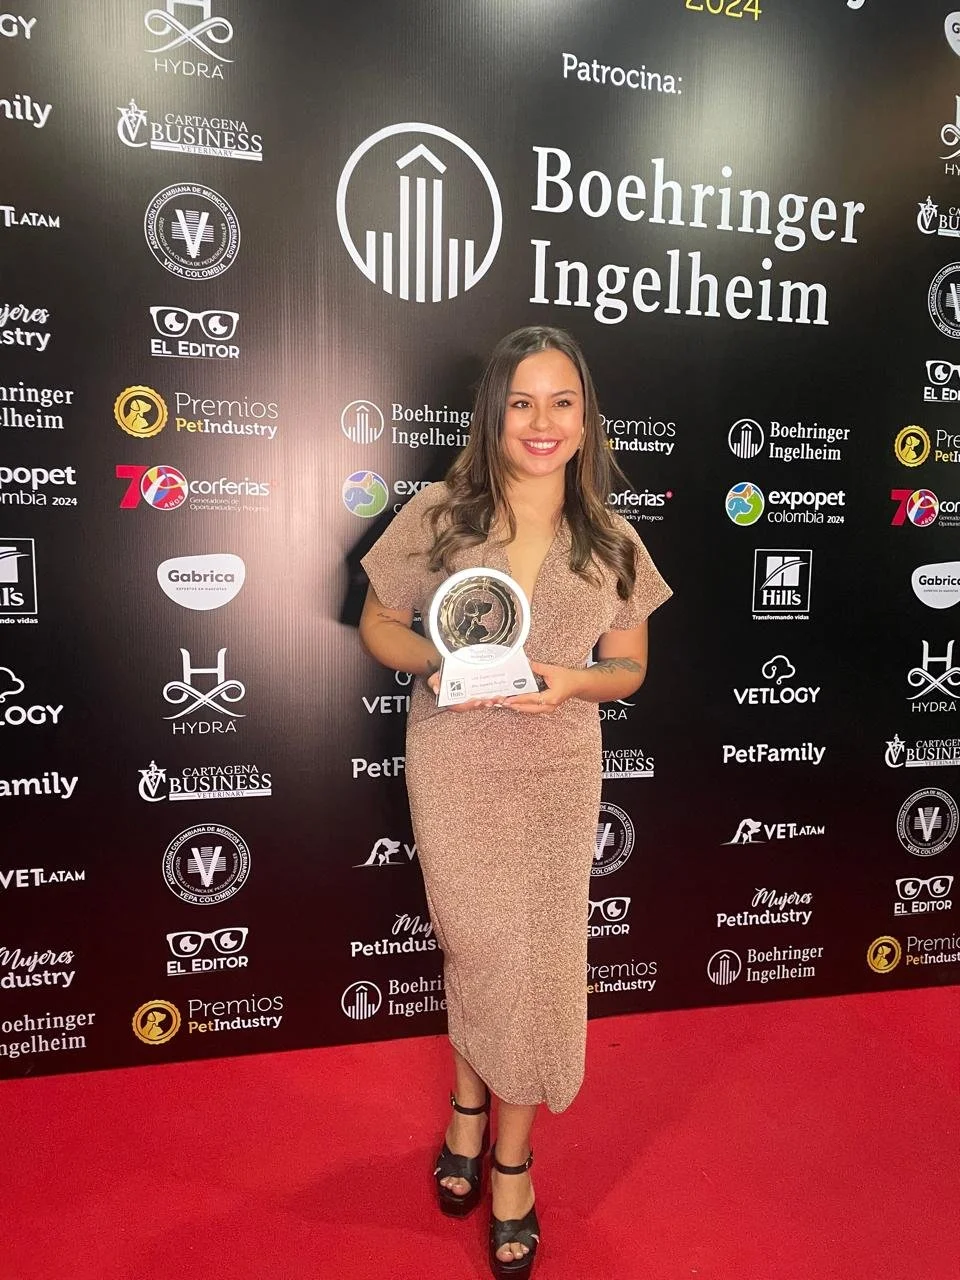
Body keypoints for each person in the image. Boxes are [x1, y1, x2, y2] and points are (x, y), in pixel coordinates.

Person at [359, 325, 671, 1278]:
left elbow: (629, 669)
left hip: (555, 772)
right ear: (495, 412)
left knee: (534, 961)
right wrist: (443, 661)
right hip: (454, 759)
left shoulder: (613, 538)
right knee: (478, 946)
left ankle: (508, 1159)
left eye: (562, 402)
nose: (543, 422)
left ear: (586, 417)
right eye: (524, 402)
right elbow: (380, 624)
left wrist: (569, 684)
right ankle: (465, 1109)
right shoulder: (439, 514)